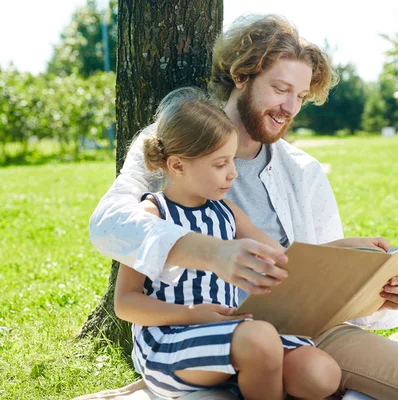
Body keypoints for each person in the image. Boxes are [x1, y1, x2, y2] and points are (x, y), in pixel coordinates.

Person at [90, 14, 398, 399]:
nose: (290, 108)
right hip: (204, 334)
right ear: (241, 76)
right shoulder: (176, 141)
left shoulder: (303, 171)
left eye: (300, 95)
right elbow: (109, 224)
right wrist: (211, 252)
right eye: (280, 89)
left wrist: (381, 290)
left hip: (301, 333)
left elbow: (316, 278)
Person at [114, 93, 342, 399]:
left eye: (231, 161)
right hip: (169, 341)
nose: (233, 173)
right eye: (221, 164)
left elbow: (284, 258)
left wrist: (348, 250)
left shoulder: (227, 212)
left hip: (228, 332)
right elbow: (125, 304)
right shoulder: (151, 215)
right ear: (178, 166)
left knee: (320, 374)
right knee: (260, 339)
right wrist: (197, 315)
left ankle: (249, 374)